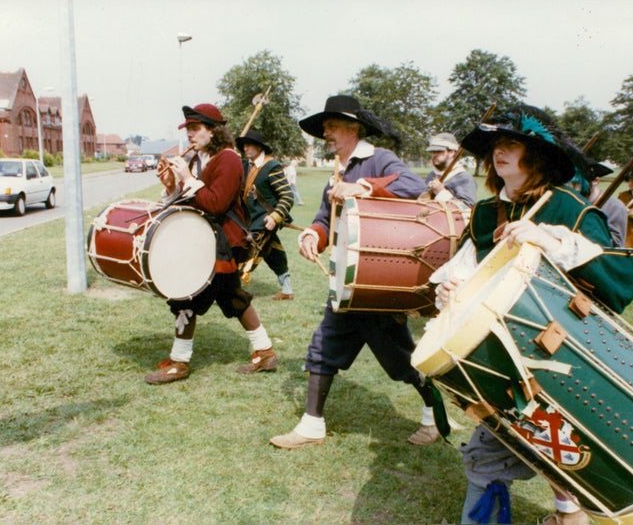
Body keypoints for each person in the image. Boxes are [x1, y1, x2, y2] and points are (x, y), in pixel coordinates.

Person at [429, 105, 633, 525]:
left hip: (567, 356)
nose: (499, 152)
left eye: (512, 144)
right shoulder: (486, 212)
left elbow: (622, 282)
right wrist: (450, 288)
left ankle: (565, 513)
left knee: (510, 451)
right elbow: (467, 268)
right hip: (501, 357)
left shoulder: (570, 209)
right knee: (543, 447)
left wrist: (547, 238)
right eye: (495, 146)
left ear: (537, 157)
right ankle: (570, 515)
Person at [269, 95, 440, 449]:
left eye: (331, 126)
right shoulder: (337, 169)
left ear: (353, 128)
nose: (326, 133)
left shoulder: (378, 159)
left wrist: (362, 188)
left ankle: (434, 416)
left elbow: (414, 186)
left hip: (379, 281)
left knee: (403, 362)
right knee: (323, 347)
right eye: (325, 128)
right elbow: (323, 220)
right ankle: (312, 426)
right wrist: (311, 236)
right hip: (347, 282)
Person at [144, 103, 278, 383]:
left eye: (195, 129)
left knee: (186, 293)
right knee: (232, 296)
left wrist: (188, 178)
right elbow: (190, 199)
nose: (190, 135)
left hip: (224, 242)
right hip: (203, 239)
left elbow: (215, 204)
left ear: (213, 131)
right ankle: (265, 351)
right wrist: (172, 185)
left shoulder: (228, 159)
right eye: (188, 129)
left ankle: (179, 363)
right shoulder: (200, 157)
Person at [235, 129, 296, 301]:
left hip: (263, 221)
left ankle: (231, 291)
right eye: (243, 145)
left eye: (249, 144)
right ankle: (287, 289)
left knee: (247, 253)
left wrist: (276, 216)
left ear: (259, 147)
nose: (245, 148)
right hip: (249, 221)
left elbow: (287, 195)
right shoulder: (246, 166)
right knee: (272, 251)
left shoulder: (272, 166)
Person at [567, 154, 627, 247]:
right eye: (572, 183)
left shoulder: (616, 207)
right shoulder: (573, 202)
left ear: (595, 181)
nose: (574, 188)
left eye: (578, 183)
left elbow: (616, 244)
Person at [424, 132, 477, 208]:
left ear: (452, 152)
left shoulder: (464, 177)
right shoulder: (432, 174)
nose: (435, 155)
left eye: (439, 151)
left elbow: (467, 208)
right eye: (433, 151)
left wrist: (440, 192)